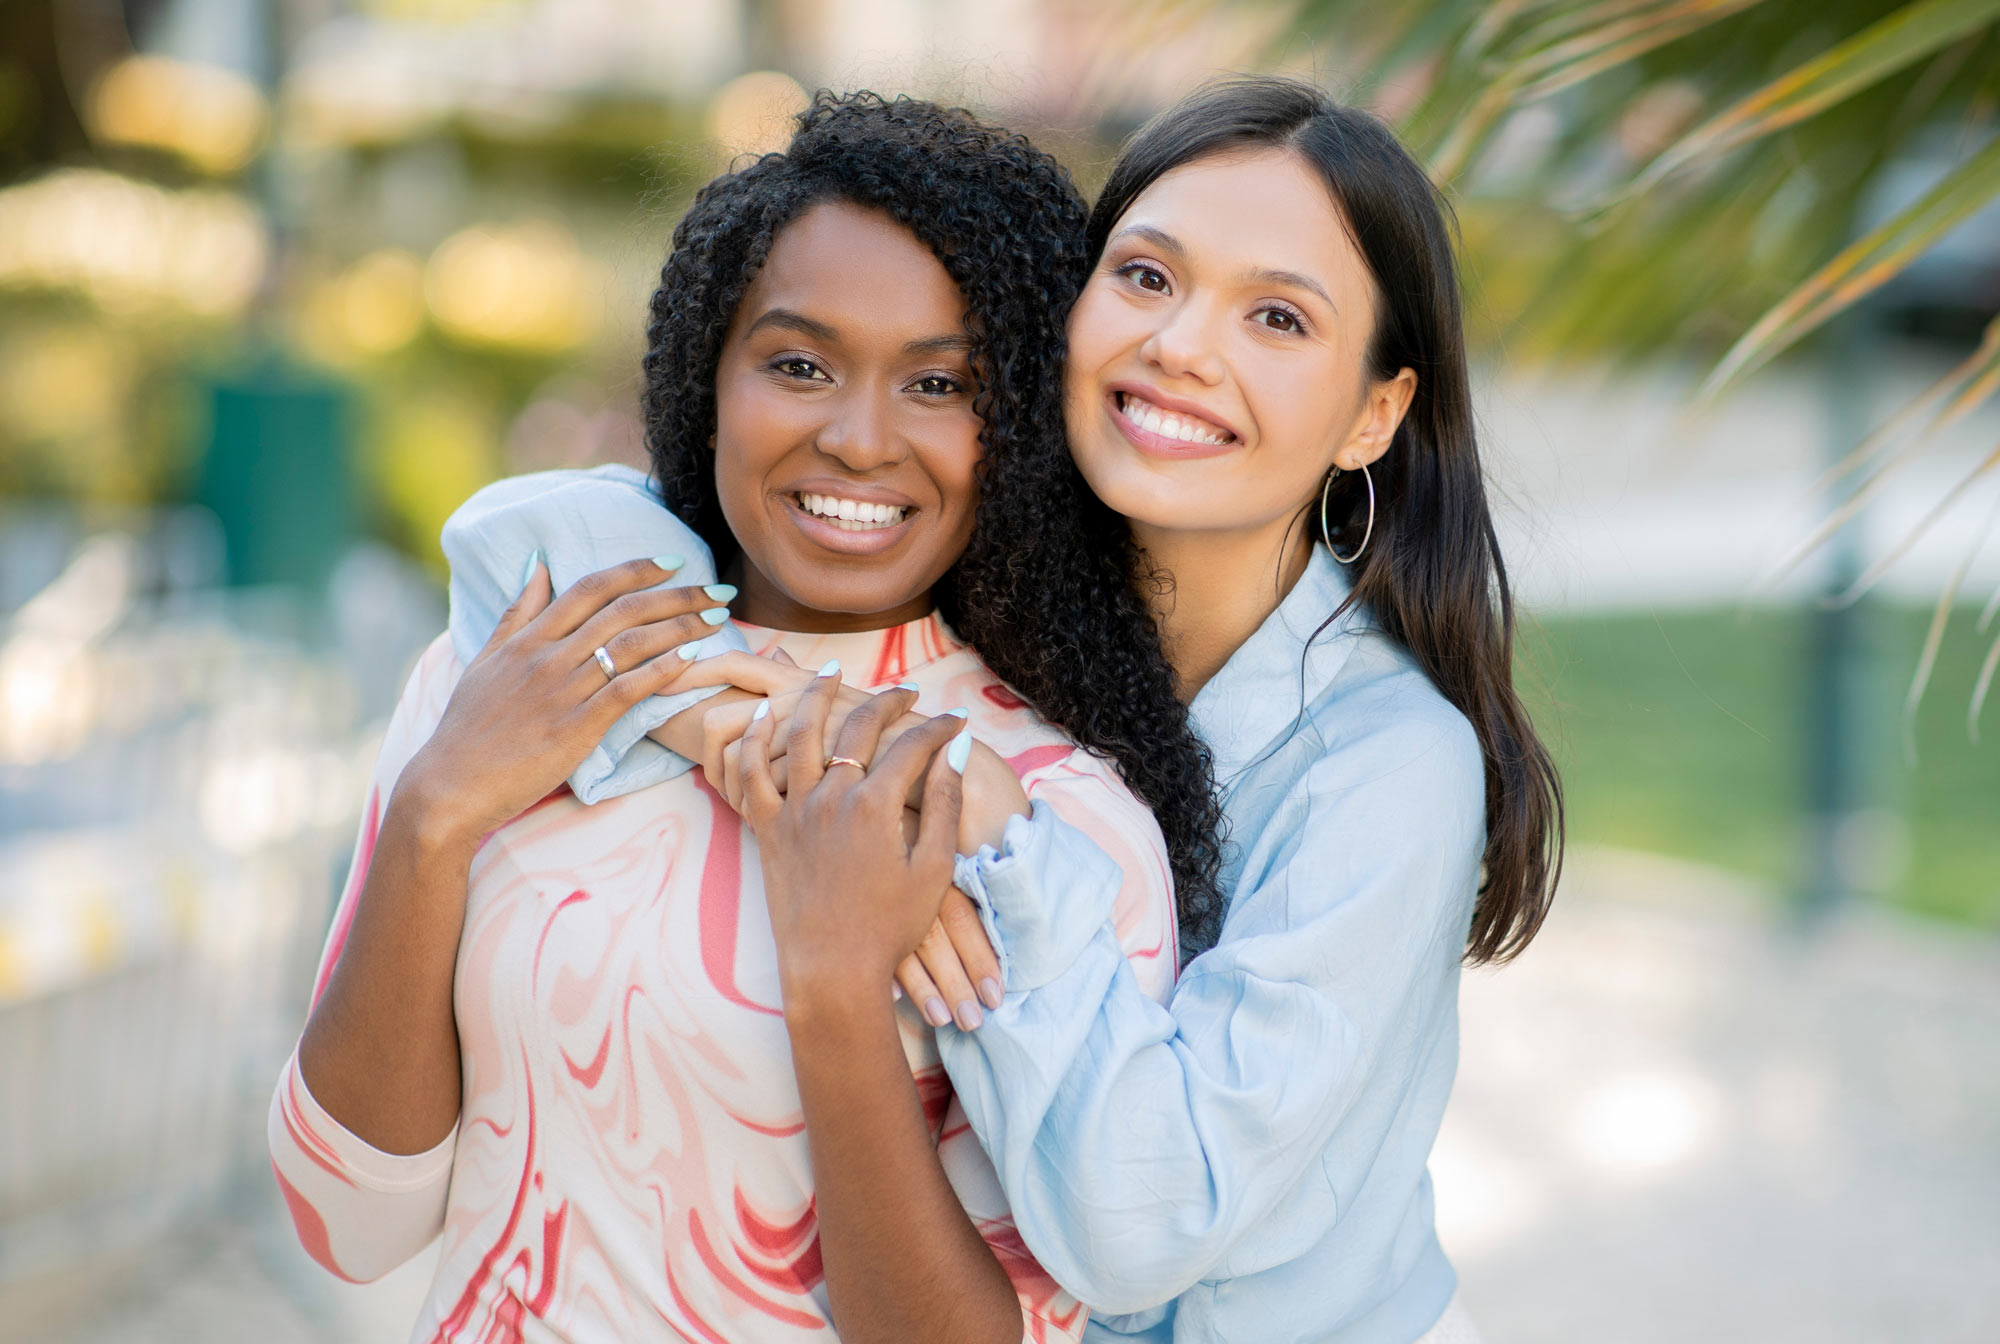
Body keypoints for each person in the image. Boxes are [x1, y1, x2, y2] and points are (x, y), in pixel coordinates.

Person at [266, 91, 1220, 1343]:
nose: (858, 439)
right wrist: (435, 812)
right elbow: (345, 1225)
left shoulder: (1047, 831)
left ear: (1019, 431)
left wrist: (834, 982)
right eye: (798, 365)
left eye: (938, 384)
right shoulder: (522, 666)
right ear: (706, 380)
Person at [713, 77, 1567, 1343]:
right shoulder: (965, 584)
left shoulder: (1388, 769)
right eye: (1147, 277)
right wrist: (702, 710)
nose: (1180, 346)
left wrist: (999, 835)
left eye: (1276, 317)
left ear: (1372, 414)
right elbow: (562, 537)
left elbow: (1142, 1224)